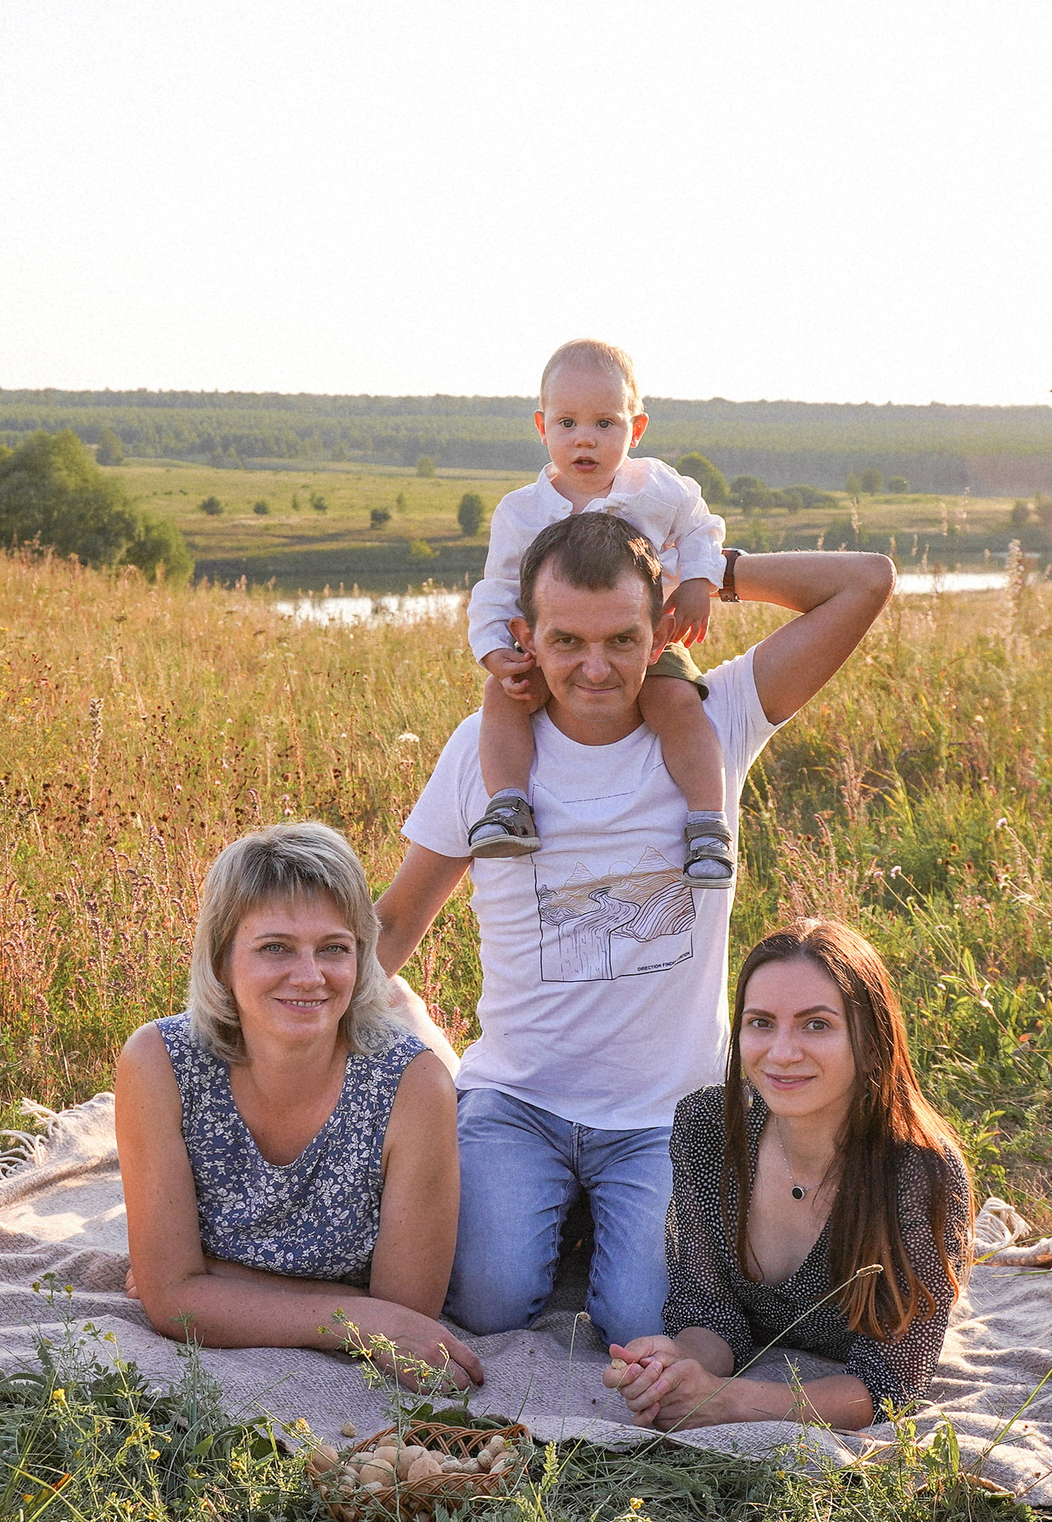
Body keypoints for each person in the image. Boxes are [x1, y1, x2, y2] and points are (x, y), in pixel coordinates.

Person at [375, 510, 896, 1345]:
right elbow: (400, 914)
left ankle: (600, 1228)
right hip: (518, 1097)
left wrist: (710, 571)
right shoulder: (484, 747)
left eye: (621, 638)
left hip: (666, 1114)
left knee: (640, 1320)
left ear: (660, 636)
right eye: (567, 641)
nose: (594, 667)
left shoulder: (714, 720)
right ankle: (541, 1199)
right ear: (523, 637)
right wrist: (276, 1035)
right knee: (486, 1301)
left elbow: (865, 581)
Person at [117, 823, 482, 1389]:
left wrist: (212, 1276)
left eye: (335, 949)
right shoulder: (157, 1061)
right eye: (275, 948)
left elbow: (407, 1314)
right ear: (220, 961)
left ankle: (403, 1007)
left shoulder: (414, 1086)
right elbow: (170, 1304)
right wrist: (357, 1316)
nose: (310, 977)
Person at [608, 919, 973, 1430]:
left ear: (871, 1042)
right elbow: (709, 1310)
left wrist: (728, 1401)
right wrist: (676, 1368)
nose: (781, 1052)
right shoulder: (708, 1127)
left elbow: (890, 1386)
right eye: (760, 1022)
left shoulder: (919, 1173)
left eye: (816, 1024)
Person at [466, 340, 734, 887]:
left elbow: (702, 527)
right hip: (554, 646)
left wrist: (702, 582)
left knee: (678, 701)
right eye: (567, 422)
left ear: (635, 430)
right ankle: (509, 805)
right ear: (542, 427)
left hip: (637, 643)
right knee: (505, 697)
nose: (584, 438)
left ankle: (708, 825)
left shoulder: (654, 487)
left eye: (605, 423)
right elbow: (495, 587)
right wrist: (495, 651)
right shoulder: (522, 511)